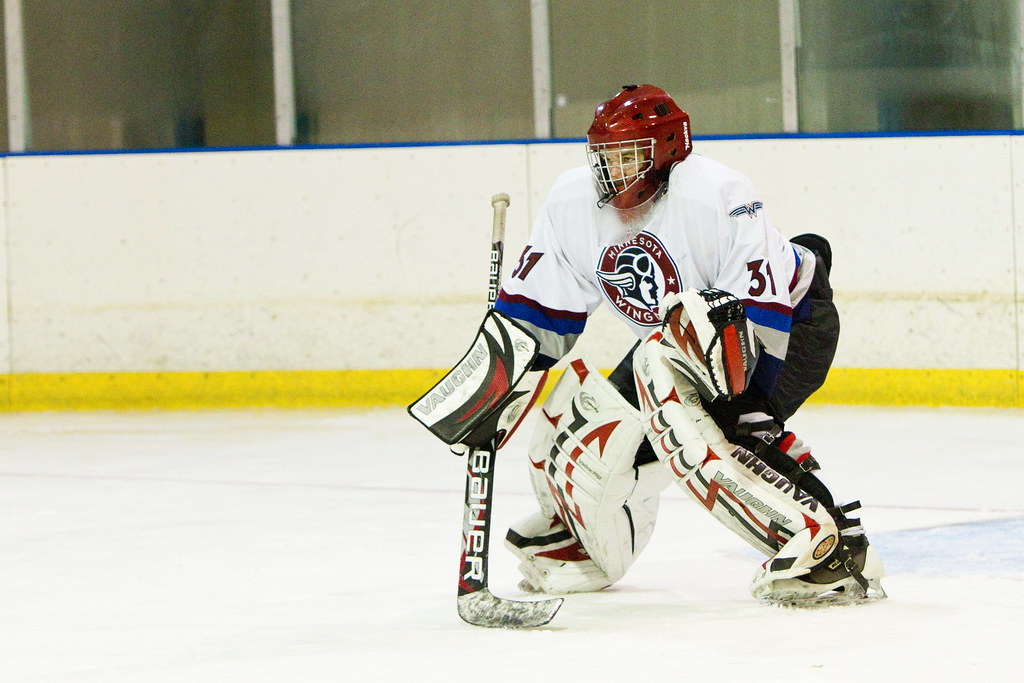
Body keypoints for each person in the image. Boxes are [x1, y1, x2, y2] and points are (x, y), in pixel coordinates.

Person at [488, 84, 885, 605]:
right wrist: (491, 385)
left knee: (714, 428)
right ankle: (581, 539)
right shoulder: (573, 204)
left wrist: (740, 415)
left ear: (668, 149)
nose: (610, 172)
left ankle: (832, 548)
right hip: (681, 343)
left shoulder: (717, 193)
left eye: (626, 156)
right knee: (593, 424)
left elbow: (760, 317)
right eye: (603, 157)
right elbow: (531, 322)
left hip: (791, 324)